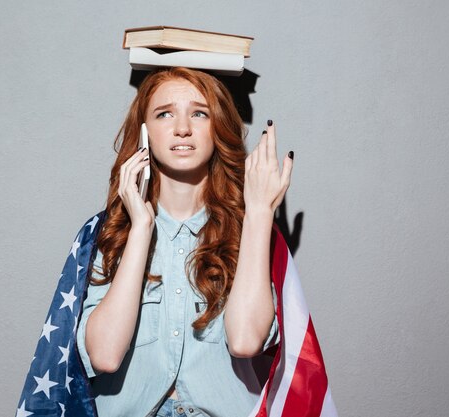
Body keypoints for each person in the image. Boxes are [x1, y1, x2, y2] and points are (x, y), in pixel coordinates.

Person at [75, 66, 294, 417]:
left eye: (199, 113)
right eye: (165, 114)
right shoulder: (108, 234)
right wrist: (142, 227)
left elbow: (246, 341)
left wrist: (258, 213)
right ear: (144, 133)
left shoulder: (249, 230)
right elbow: (104, 355)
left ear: (217, 127)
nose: (182, 128)